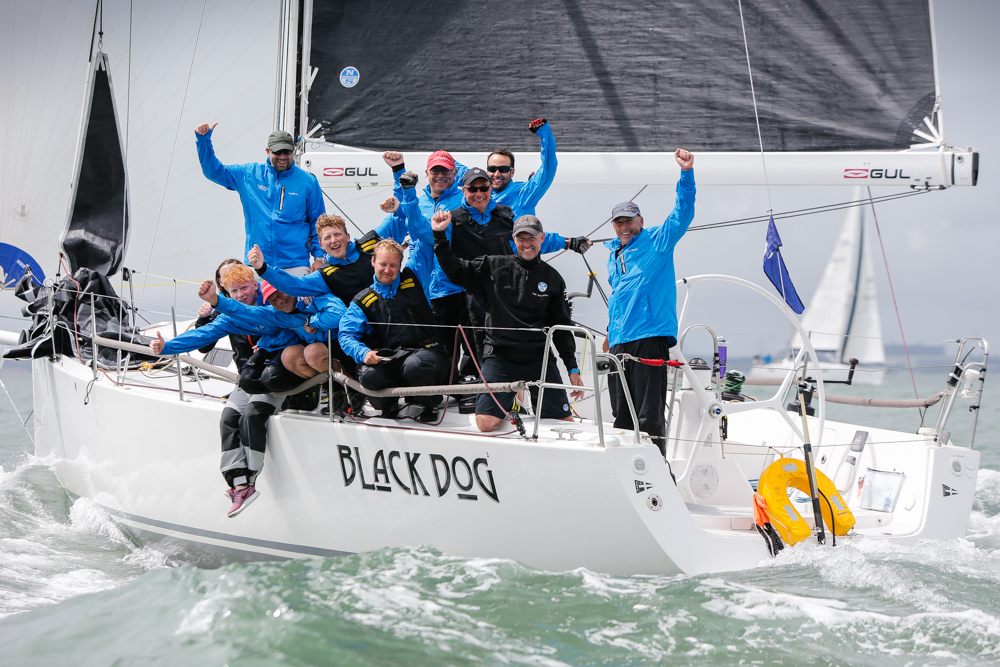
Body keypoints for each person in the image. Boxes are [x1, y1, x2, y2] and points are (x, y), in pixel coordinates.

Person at [148, 265, 306, 517]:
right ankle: (238, 482)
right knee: (229, 417)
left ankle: (251, 479)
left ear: (255, 285)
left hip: (279, 370)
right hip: (255, 372)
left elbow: (260, 316)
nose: (241, 294)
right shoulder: (231, 316)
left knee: (252, 415)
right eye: (234, 291)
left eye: (245, 287)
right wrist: (168, 346)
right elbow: (204, 335)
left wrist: (217, 301)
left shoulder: (272, 303)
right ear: (228, 292)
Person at [432, 212, 585, 432]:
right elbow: (455, 272)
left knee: (565, 423)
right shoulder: (493, 266)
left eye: (532, 238)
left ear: (542, 238)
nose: (527, 244)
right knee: (485, 424)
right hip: (500, 357)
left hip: (538, 358)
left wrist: (572, 368)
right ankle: (511, 401)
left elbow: (560, 326)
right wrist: (439, 235)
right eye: (521, 238)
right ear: (514, 240)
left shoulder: (553, 278)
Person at [603, 148, 696, 457]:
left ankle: (659, 471)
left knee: (648, 415)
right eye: (618, 222)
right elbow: (619, 297)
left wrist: (686, 174)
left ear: (640, 220)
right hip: (619, 343)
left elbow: (683, 213)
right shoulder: (614, 255)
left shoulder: (658, 240)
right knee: (621, 415)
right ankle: (628, 473)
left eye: (629, 220)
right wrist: (609, 333)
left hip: (649, 337)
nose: (624, 226)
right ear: (613, 225)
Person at [338, 176, 450, 422]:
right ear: (373, 263)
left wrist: (407, 196)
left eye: (393, 265)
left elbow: (422, 236)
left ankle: (428, 404)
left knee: (416, 367)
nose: (387, 270)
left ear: (400, 264)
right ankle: (387, 408)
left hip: (426, 353)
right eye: (383, 264)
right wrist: (363, 352)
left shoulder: (415, 276)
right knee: (368, 376)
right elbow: (346, 335)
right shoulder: (362, 299)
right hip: (391, 357)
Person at [195, 122, 324, 273]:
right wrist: (203, 141)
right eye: (278, 152)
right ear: (268, 151)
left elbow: (319, 222)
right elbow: (214, 172)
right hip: (256, 263)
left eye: (287, 152)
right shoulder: (249, 174)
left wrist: (319, 258)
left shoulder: (308, 181)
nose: (283, 156)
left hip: (295, 264)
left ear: (292, 152)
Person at [487, 118, 558, 217]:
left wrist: (544, 133)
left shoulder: (523, 194)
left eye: (503, 169)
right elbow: (460, 171)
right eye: (492, 169)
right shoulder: (477, 193)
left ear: (512, 173)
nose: (497, 174)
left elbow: (548, 168)